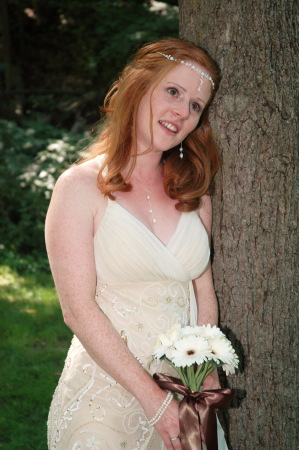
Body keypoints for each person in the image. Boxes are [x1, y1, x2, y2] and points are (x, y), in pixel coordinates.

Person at [46, 37, 228, 450]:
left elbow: (203, 294)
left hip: (184, 399)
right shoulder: (79, 187)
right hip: (105, 398)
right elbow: (77, 309)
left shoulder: (195, 197)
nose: (183, 111)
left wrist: (204, 370)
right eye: (173, 91)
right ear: (139, 88)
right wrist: (155, 403)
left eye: (196, 105)